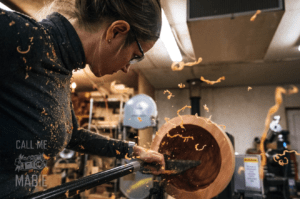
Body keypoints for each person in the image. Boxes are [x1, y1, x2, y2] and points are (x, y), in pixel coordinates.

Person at [0, 0, 164, 198]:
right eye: (135, 56)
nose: (127, 67)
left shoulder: (60, 68)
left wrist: (133, 150)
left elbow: (72, 135)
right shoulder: (19, 35)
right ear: (116, 31)